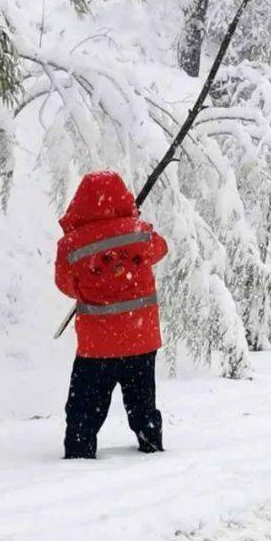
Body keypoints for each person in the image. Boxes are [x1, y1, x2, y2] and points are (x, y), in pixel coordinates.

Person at [54, 171, 169, 459]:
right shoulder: (140, 233)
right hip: (140, 342)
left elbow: (65, 285)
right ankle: (151, 445)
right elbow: (161, 249)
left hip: (97, 347)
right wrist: (130, 226)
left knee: (85, 408)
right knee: (142, 403)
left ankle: (79, 452)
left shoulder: (71, 246)